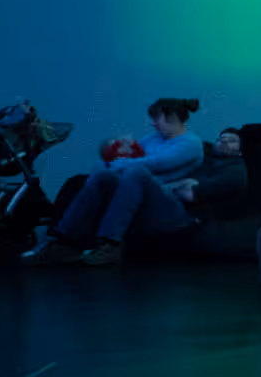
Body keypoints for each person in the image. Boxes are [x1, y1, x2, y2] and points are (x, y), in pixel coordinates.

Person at [28, 97, 204, 266]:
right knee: (103, 175)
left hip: (167, 205)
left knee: (136, 172)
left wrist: (116, 163)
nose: (153, 123)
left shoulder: (191, 143)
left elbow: (156, 163)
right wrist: (111, 159)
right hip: (138, 197)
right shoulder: (153, 138)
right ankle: (64, 242)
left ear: (171, 117)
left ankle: (110, 244)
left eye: (157, 118)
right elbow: (130, 156)